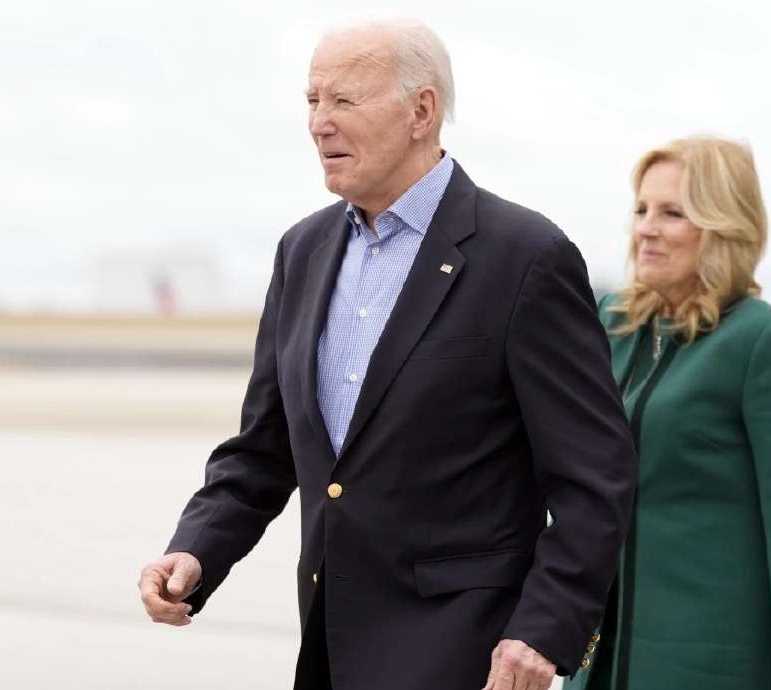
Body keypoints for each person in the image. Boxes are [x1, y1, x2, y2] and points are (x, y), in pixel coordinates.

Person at [137, 20, 636, 690]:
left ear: (421, 111)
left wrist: (544, 629)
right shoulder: (302, 252)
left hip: (466, 650)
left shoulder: (525, 257)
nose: (319, 123)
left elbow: (594, 477)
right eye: (312, 101)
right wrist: (196, 549)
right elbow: (265, 448)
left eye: (344, 101)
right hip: (330, 645)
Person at [567, 136, 771, 690]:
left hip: (706, 655)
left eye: (672, 213)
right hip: (599, 652)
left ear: (722, 224)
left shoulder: (764, 340)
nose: (646, 228)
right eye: (641, 210)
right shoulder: (609, 321)